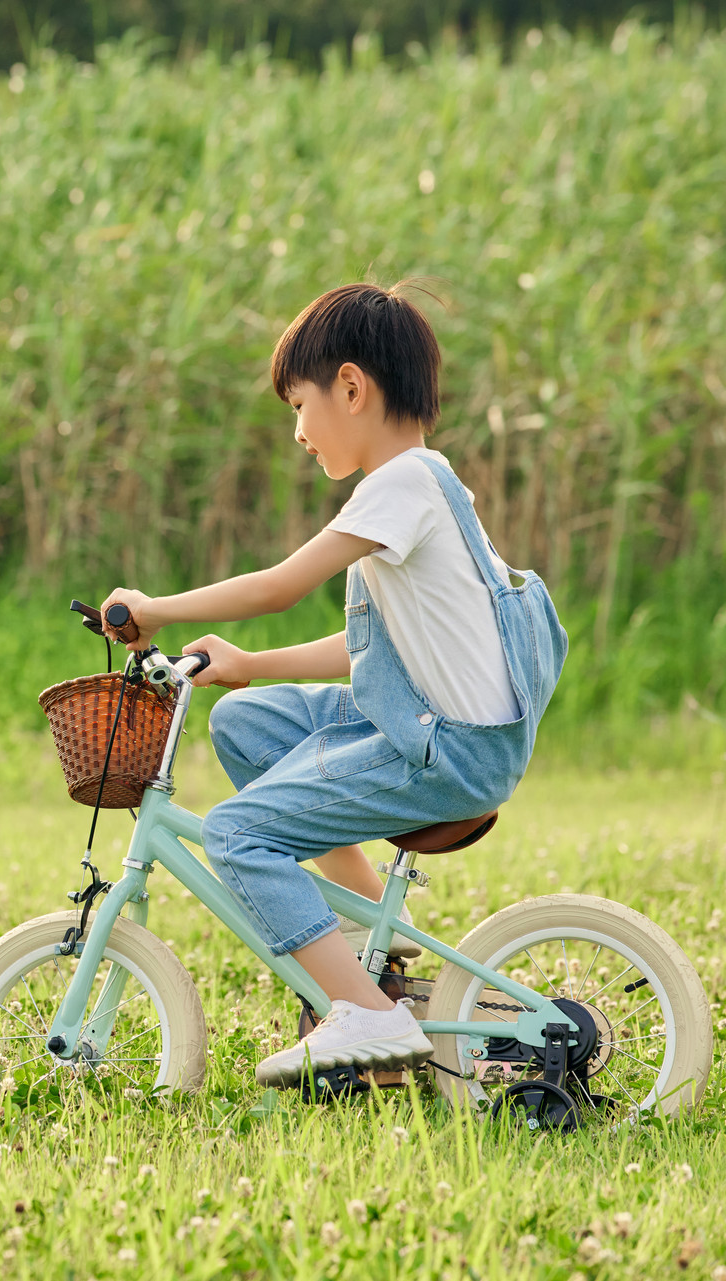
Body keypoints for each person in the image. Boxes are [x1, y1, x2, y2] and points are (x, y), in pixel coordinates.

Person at [101, 281, 567, 1086]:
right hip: (423, 721)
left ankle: (367, 1014)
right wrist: (249, 664)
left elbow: (279, 585)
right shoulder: (424, 484)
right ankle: (371, 938)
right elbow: (375, 652)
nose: (297, 431)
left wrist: (155, 608)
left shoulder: (400, 486)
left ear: (351, 387)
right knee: (243, 722)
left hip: (448, 750)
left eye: (300, 405)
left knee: (238, 833)